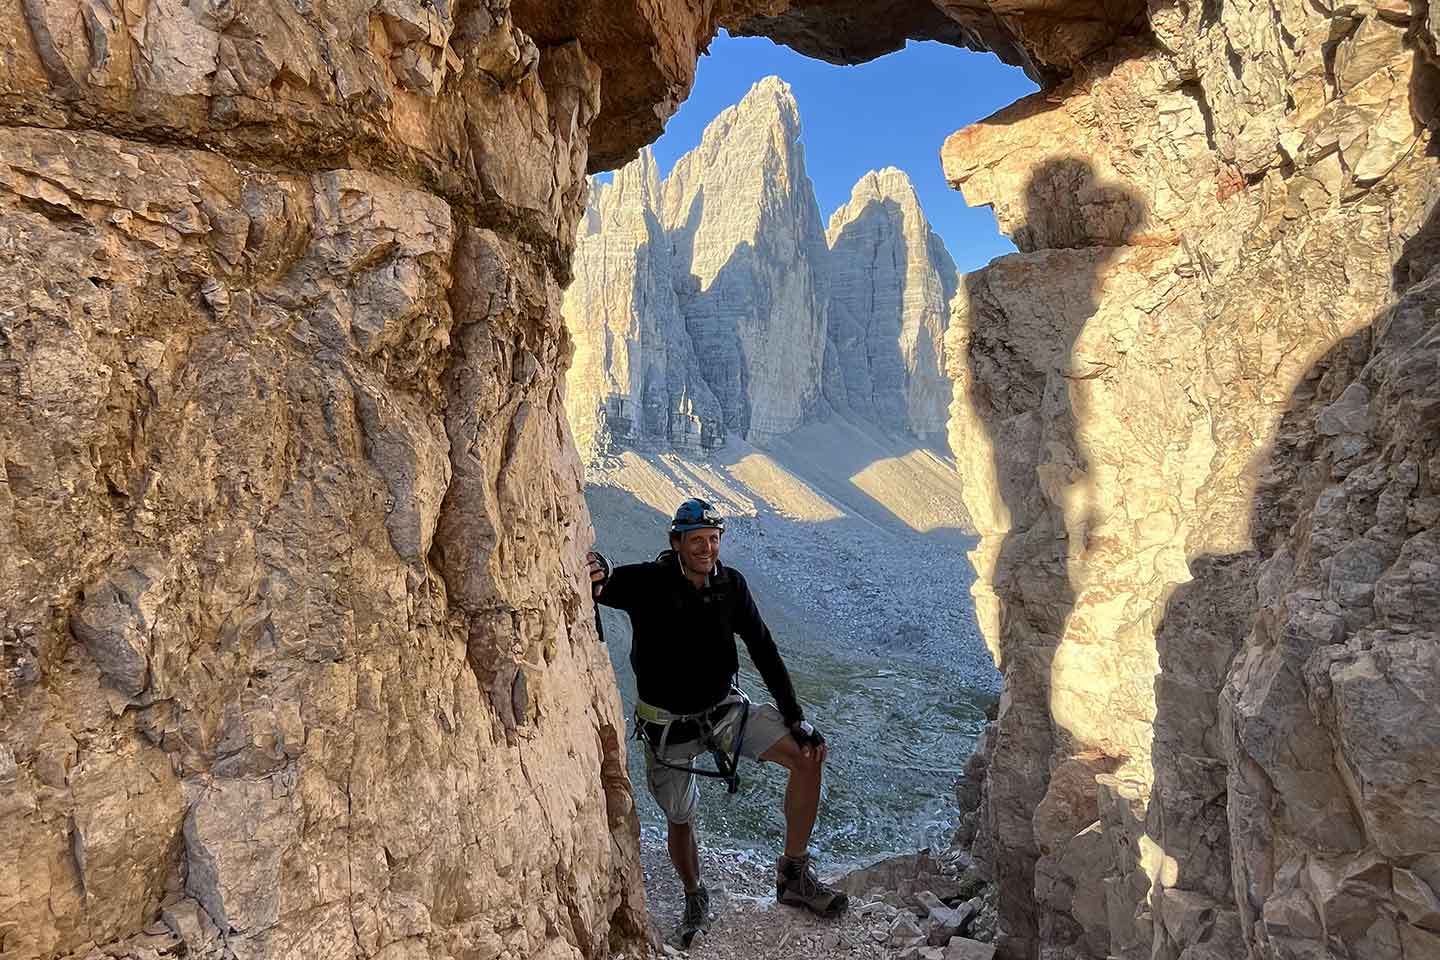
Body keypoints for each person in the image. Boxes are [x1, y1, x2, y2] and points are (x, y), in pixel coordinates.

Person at [587, 498, 848, 944]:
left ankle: (793, 875)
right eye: (697, 541)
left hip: (724, 711)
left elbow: (763, 649)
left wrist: (795, 718)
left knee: (808, 757)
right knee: (680, 818)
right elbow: (604, 584)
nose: (707, 549)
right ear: (676, 542)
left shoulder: (730, 585)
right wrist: (600, 567)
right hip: (668, 726)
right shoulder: (650, 582)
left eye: (713, 539)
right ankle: (694, 893)